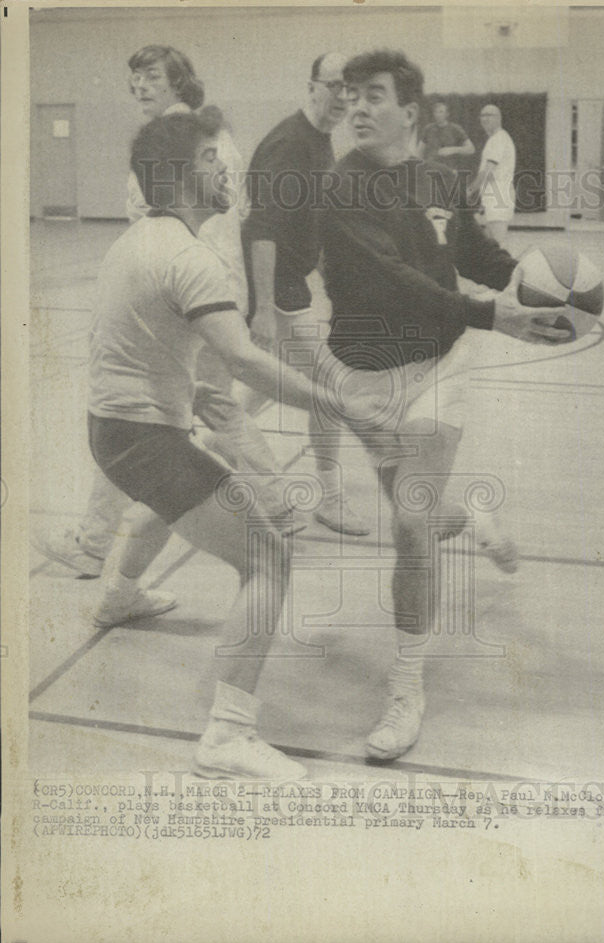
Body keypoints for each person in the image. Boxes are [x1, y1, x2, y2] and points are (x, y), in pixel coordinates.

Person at [88, 112, 380, 778]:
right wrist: (339, 404)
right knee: (269, 559)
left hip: (114, 430)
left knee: (183, 489)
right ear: (186, 172)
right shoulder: (189, 257)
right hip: (142, 437)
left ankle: (117, 595)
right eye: (215, 158)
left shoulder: (135, 239)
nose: (229, 169)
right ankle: (227, 734)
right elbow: (243, 360)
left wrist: (202, 416)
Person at [320, 50, 565, 761]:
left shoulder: (440, 179)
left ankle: (405, 688)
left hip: (440, 366)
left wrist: (543, 284)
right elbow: (391, 279)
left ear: (411, 111)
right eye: (351, 96)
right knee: (421, 514)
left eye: (374, 95)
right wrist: (498, 317)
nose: (359, 107)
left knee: (407, 524)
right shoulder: (340, 187)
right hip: (362, 378)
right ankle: (476, 519)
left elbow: (480, 258)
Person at [35, 45, 295, 625]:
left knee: (166, 428)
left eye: (151, 76)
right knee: (173, 431)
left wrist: (246, 306)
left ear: (178, 78)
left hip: (195, 299)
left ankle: (96, 544)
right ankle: (109, 555)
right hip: (183, 294)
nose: (140, 87)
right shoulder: (176, 137)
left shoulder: (190, 140)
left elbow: (227, 224)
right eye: (132, 80)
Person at [242, 52, 369, 537]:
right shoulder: (290, 144)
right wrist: (261, 310)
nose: (342, 97)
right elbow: (263, 229)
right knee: (326, 392)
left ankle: (212, 438)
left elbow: (308, 222)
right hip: (274, 294)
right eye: (334, 86)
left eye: (349, 90)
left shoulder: (320, 141)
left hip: (289, 287)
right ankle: (328, 498)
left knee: (247, 396)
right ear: (312, 85)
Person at [470, 104, 516, 247]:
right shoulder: (495, 139)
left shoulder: (499, 139)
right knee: (491, 244)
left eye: (489, 115)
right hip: (493, 195)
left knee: (497, 244)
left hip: (499, 195)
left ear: (499, 118)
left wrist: (470, 191)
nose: (485, 119)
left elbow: (487, 171)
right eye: (482, 115)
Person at [418, 99, 474, 173]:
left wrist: (452, 149)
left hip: (449, 171)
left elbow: (471, 149)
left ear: (447, 114)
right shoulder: (428, 128)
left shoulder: (455, 128)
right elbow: (419, 151)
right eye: (436, 112)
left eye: (441, 112)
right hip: (431, 171)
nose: (438, 114)